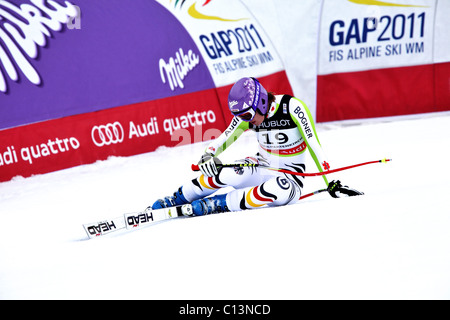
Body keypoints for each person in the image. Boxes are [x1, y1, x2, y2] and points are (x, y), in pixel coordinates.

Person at [149, 77, 362, 216]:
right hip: (261, 167)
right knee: (227, 173)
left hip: (289, 178)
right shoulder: (248, 115)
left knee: (279, 191)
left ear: (260, 102)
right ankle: (178, 197)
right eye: (240, 116)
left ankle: (219, 204)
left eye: (247, 116)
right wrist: (208, 155)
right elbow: (224, 138)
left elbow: (314, 146)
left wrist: (330, 180)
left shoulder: (293, 108)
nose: (245, 121)